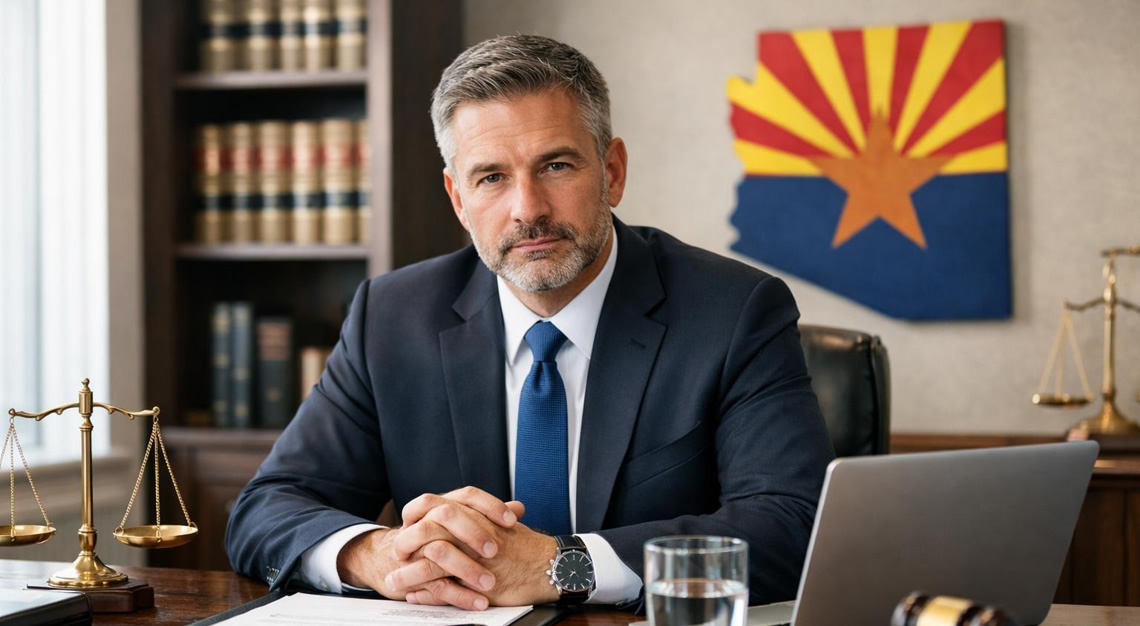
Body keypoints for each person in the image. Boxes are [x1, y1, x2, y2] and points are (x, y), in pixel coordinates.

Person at [225, 34, 834, 611]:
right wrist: (375, 554)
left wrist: (558, 566)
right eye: (491, 177)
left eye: (557, 166)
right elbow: (268, 507)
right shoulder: (390, 317)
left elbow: (790, 525)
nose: (528, 210)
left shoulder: (733, 310)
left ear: (613, 172)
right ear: (458, 199)